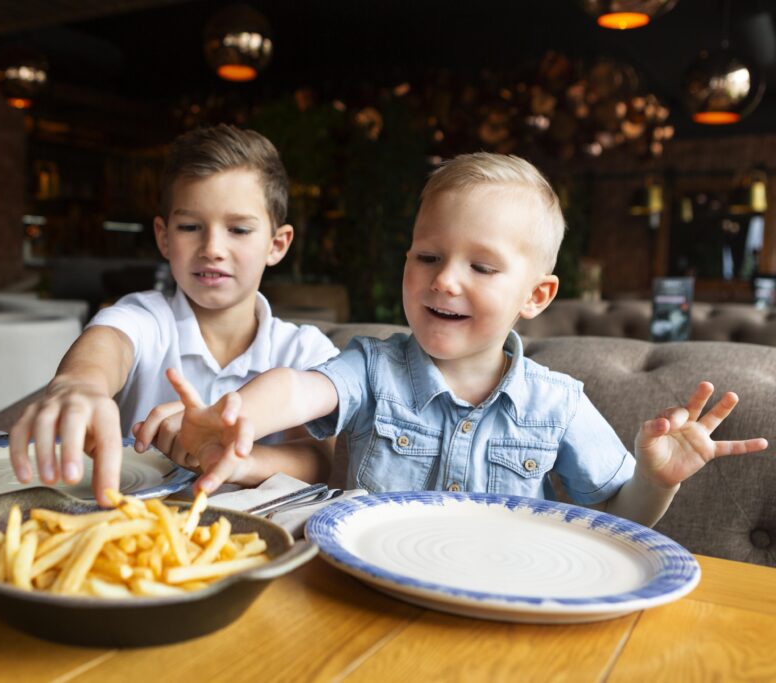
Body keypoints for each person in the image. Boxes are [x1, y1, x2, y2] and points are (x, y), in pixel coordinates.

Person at [164, 152, 768, 527]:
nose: (445, 279)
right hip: (367, 583)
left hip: (503, 595)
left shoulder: (557, 404)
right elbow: (300, 389)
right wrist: (234, 415)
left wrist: (656, 481)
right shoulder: (373, 367)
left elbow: (617, 518)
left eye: (481, 268)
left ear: (536, 296)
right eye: (428, 256)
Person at [8, 125, 339, 506]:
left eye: (239, 229)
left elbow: (323, 457)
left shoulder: (303, 350)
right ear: (164, 237)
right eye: (190, 227)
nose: (213, 248)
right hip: (133, 534)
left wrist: (232, 462)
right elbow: (108, 343)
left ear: (276, 244)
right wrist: (78, 385)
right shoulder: (146, 318)